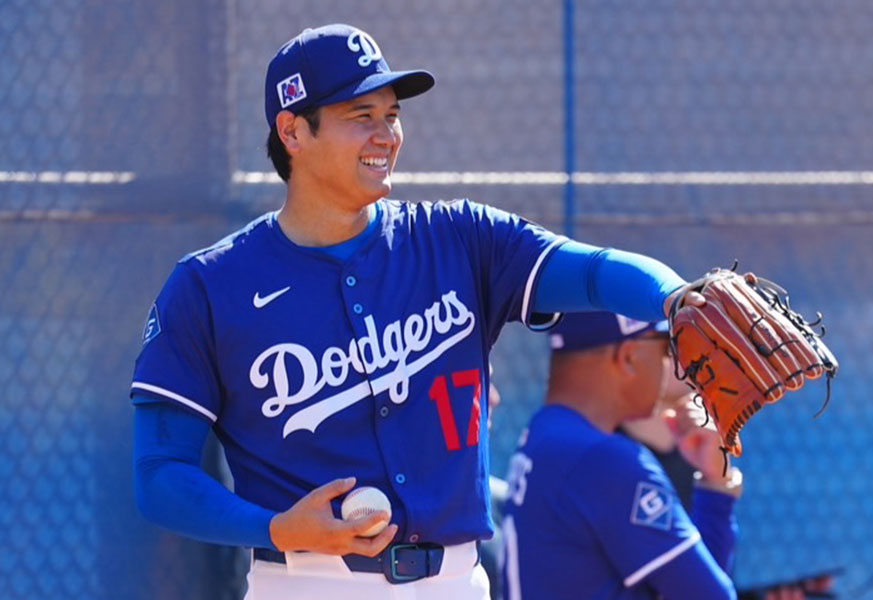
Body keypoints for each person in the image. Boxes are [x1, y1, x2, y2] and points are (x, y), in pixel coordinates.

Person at [131, 23, 706, 600]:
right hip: (307, 583)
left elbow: (590, 271)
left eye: (393, 114)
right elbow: (160, 474)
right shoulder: (209, 285)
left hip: (457, 582)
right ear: (292, 131)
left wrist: (678, 297)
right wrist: (274, 527)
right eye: (362, 115)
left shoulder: (461, 238)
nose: (387, 135)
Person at [501, 311, 742, 600]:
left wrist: (713, 480)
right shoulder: (604, 459)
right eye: (665, 349)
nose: (671, 365)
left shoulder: (545, 430)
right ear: (628, 357)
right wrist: (717, 491)